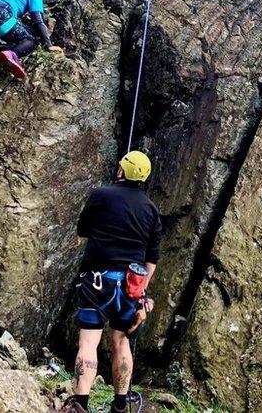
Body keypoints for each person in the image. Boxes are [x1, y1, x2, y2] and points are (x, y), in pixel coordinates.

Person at [59, 151, 163, 413]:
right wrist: (141, 292)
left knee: (88, 343)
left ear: (121, 171)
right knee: (121, 341)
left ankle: (81, 404)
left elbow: (82, 232)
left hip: (97, 282)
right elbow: (152, 259)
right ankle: (120, 405)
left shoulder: (100, 195)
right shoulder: (151, 210)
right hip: (130, 287)